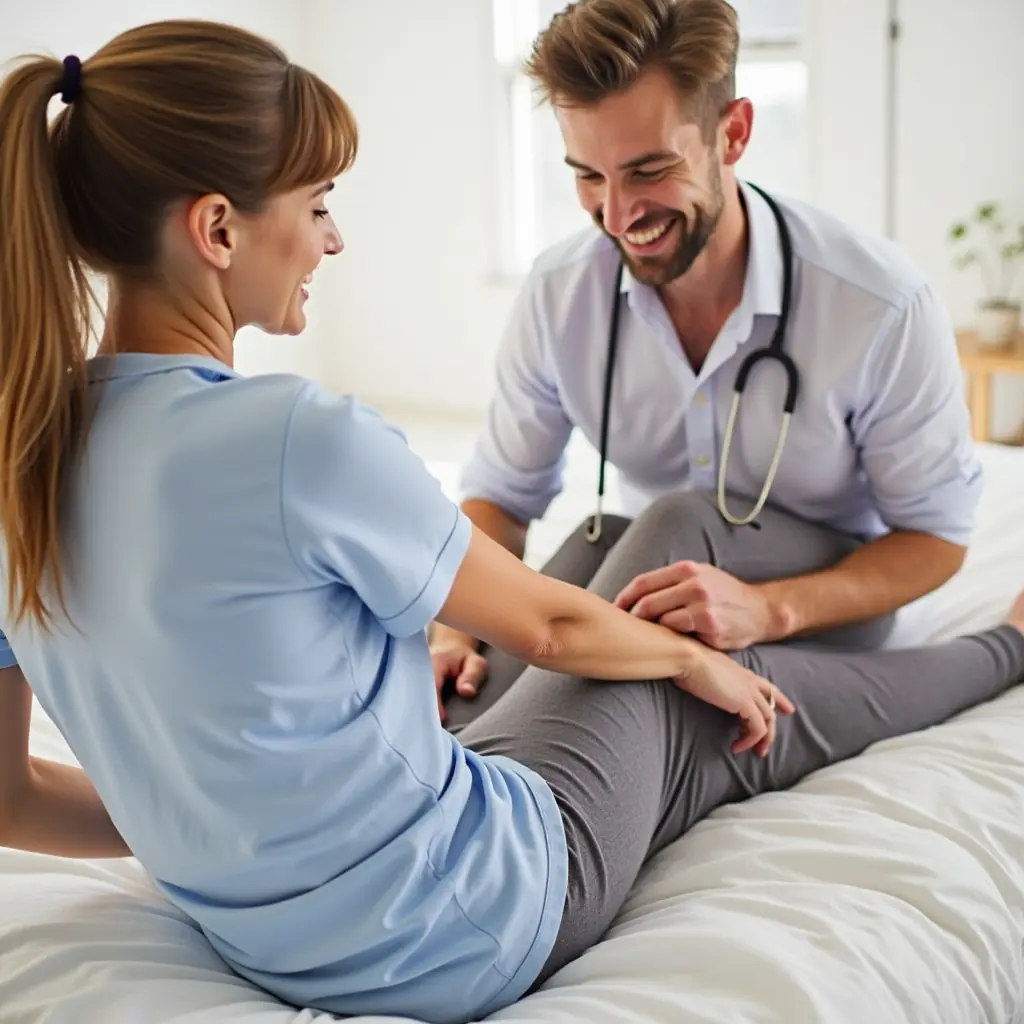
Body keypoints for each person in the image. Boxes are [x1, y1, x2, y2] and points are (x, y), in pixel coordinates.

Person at [0, 18, 1022, 1024]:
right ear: (218, 229)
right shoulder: (297, 438)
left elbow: (11, 801)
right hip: (477, 921)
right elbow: (552, 625)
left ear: (734, 134)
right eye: (318, 203)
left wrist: (205, 830)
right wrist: (686, 660)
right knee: (664, 631)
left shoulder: (17, 465)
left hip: (268, 942)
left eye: (646, 171)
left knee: (597, 547)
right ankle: (1005, 647)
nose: (333, 236)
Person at [432, 0, 984, 728]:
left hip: (822, 602)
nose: (618, 214)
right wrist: (454, 630)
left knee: (666, 531)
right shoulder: (561, 292)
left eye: (649, 170)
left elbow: (937, 541)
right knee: (500, 659)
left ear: (735, 133)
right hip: (655, 575)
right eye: (588, 176)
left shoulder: (878, 304)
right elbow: (501, 498)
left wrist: (767, 609)